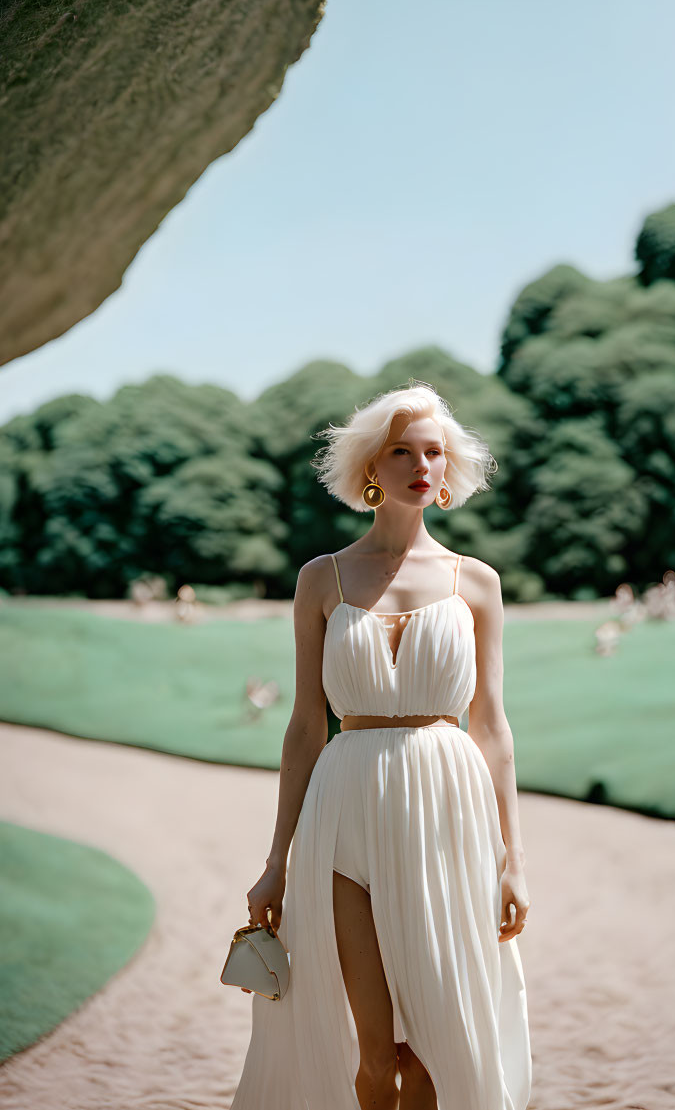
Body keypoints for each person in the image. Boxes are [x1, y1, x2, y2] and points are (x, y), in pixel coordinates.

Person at [228, 381, 532, 1110]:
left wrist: (512, 859)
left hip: (447, 818)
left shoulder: (477, 583)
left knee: (429, 1056)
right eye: (401, 450)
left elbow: (490, 725)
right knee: (371, 1056)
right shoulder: (320, 579)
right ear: (370, 465)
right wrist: (275, 863)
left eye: (434, 451)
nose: (420, 464)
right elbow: (305, 724)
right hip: (342, 812)